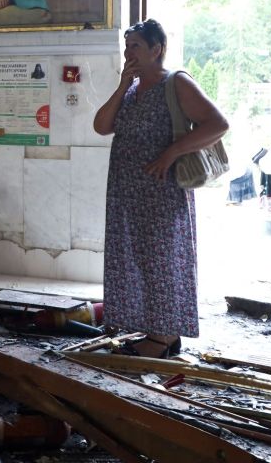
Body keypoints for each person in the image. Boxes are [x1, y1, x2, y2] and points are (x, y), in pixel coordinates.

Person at [93, 19, 228, 358]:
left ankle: (163, 338)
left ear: (157, 49)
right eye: (127, 48)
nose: (129, 54)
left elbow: (218, 124)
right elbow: (101, 126)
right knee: (136, 259)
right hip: (128, 194)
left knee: (162, 262)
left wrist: (172, 152)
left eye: (136, 47)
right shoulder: (132, 88)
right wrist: (123, 83)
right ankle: (153, 330)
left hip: (162, 192)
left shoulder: (176, 83)